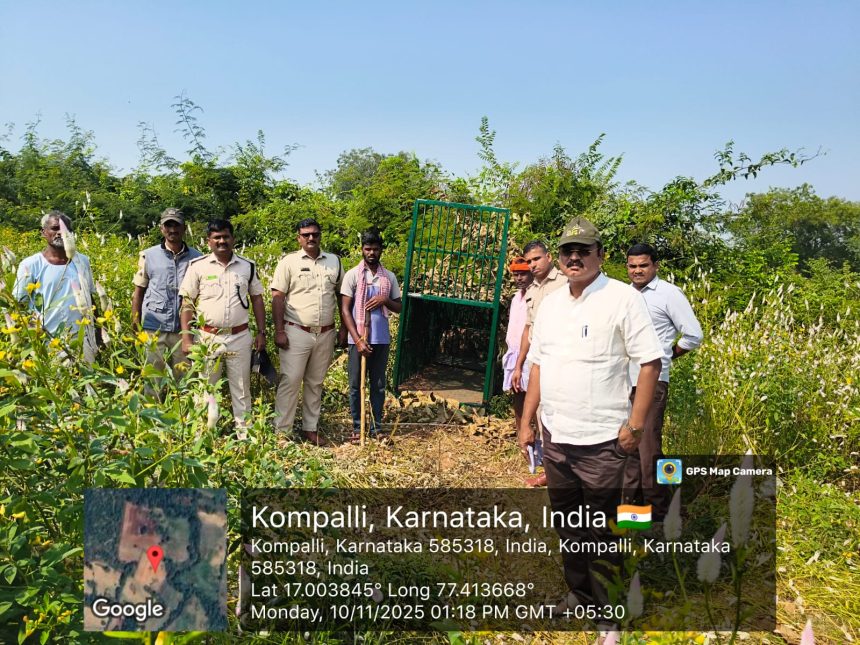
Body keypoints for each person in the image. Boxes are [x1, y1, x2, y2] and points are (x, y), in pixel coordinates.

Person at [518, 217, 663, 633]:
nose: (574, 257)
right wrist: (528, 422)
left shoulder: (621, 299)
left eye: (583, 250)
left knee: (599, 528)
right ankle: (578, 595)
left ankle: (607, 614)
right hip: (557, 438)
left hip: (602, 441)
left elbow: (650, 362)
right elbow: (539, 364)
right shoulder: (551, 303)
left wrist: (635, 426)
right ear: (559, 257)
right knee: (568, 524)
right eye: (567, 251)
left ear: (601, 254)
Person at [623, 243, 703, 521]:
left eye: (643, 265)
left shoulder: (669, 294)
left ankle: (664, 510)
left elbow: (693, 334)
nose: (637, 271)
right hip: (624, 381)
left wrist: (667, 356)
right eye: (632, 266)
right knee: (627, 446)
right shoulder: (623, 294)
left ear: (655, 265)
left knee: (649, 448)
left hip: (652, 382)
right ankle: (632, 507)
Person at [179, 219, 266, 430]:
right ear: (209, 241)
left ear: (233, 239)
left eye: (226, 236)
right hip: (208, 337)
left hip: (239, 336)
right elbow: (187, 302)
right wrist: (186, 338)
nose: (221, 241)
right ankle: (203, 433)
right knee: (205, 389)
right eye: (216, 237)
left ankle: (246, 436)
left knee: (241, 388)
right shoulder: (197, 266)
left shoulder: (247, 266)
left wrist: (262, 332)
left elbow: (257, 299)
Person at [271, 218, 346, 445]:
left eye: (314, 234)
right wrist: (279, 330)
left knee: (315, 382)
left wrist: (343, 327)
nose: (311, 238)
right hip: (296, 331)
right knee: (290, 380)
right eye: (306, 235)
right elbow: (277, 297)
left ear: (320, 235)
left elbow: (342, 296)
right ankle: (282, 432)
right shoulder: (289, 262)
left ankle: (309, 429)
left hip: (325, 333)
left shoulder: (334, 261)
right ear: (299, 238)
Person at [511, 240, 567, 487]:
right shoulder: (532, 290)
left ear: (549, 257)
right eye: (529, 261)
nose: (533, 265)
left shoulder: (567, 282)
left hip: (565, 362)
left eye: (537, 259)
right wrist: (519, 364)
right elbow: (528, 329)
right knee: (544, 417)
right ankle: (551, 472)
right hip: (540, 362)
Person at [340, 229, 402, 442]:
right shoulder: (352, 276)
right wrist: (357, 340)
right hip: (358, 340)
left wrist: (385, 300)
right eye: (368, 249)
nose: (372, 253)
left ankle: (376, 427)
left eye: (375, 249)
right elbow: (345, 310)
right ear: (362, 250)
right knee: (356, 383)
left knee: (377, 384)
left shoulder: (389, 278)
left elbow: (399, 307)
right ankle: (358, 427)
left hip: (381, 338)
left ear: (381, 250)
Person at [131, 208, 202, 392]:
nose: (172, 229)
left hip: (184, 331)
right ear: (162, 229)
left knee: (185, 382)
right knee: (153, 383)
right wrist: (136, 323)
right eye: (168, 225)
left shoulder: (197, 258)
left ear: (184, 228)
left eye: (176, 225)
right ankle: (153, 420)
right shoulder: (148, 255)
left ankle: (183, 419)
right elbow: (138, 291)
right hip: (154, 328)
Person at [13, 211, 98, 363]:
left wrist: (99, 336)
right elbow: (19, 306)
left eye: (66, 229)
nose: (60, 232)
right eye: (55, 228)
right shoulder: (31, 265)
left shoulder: (82, 261)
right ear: (43, 232)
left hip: (83, 340)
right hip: (48, 342)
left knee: (88, 385)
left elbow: (90, 299)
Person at [501, 256, 534, 445]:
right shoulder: (516, 298)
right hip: (513, 353)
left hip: (528, 356)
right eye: (516, 274)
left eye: (523, 273)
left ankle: (534, 440)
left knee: (532, 399)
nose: (519, 278)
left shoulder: (535, 296)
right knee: (518, 396)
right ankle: (521, 438)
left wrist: (521, 363)